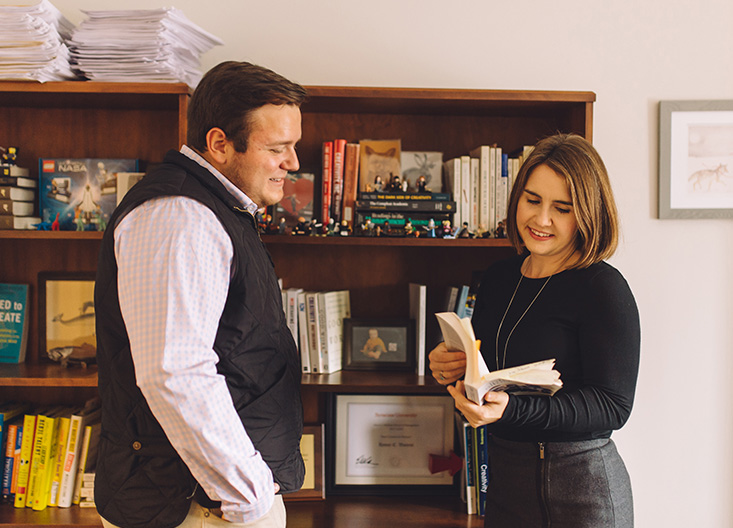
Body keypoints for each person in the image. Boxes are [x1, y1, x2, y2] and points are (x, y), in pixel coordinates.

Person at [94, 61, 307, 528]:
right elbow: (175, 371)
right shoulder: (179, 216)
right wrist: (250, 495)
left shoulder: (218, 208)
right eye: (278, 148)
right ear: (219, 144)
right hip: (198, 507)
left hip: (216, 499)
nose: (292, 162)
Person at [429, 133, 640, 528]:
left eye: (562, 208)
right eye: (532, 200)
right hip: (508, 484)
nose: (541, 220)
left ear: (588, 214)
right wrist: (451, 363)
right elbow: (488, 370)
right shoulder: (498, 278)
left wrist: (512, 408)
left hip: (583, 490)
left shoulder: (602, 287)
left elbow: (613, 405)